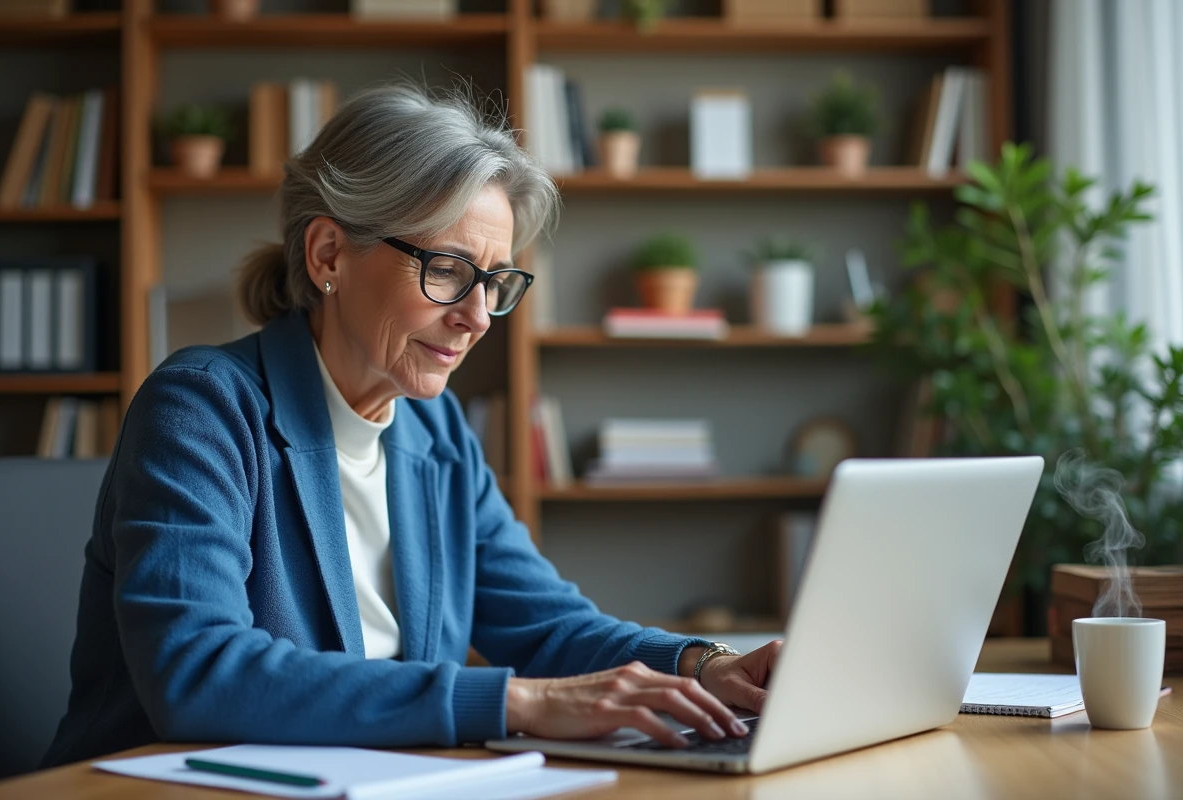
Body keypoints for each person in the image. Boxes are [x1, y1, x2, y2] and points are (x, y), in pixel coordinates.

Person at [43, 83, 782, 767]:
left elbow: (547, 626)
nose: (478, 316)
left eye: (495, 282)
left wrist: (704, 666)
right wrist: (515, 701)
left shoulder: (438, 435)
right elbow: (197, 672)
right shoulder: (202, 408)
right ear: (329, 253)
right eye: (449, 270)